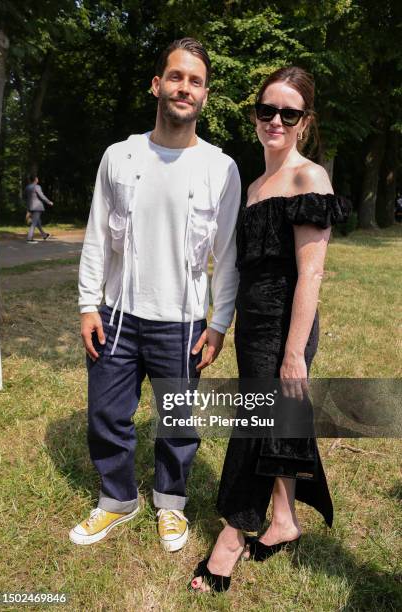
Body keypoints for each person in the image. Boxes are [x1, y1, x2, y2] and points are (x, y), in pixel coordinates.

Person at [70, 38, 241, 550]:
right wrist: (86, 304)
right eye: (175, 76)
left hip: (183, 321)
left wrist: (218, 323)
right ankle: (117, 499)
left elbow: (228, 255)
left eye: (195, 80)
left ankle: (171, 502)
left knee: (178, 422)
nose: (183, 87)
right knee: (106, 414)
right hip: (118, 314)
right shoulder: (119, 156)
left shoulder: (221, 168)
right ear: (157, 85)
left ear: (205, 95)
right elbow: (97, 234)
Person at [190, 66, 350, 592]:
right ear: (256, 115)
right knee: (279, 424)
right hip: (252, 328)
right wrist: (223, 322)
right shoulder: (254, 183)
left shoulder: (310, 178)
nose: (275, 120)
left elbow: (312, 274)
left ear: (305, 122)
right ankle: (284, 520)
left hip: (288, 329)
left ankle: (233, 535)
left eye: (289, 112)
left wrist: (294, 354)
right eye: (267, 110)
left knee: (255, 425)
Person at [24, 175, 53, 243]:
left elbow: (25, 197)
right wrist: (49, 202)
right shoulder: (37, 186)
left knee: (38, 222)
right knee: (34, 223)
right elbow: (41, 196)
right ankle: (29, 239)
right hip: (37, 207)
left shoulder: (27, 187)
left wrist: (28, 207)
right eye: (37, 178)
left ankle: (44, 235)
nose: (38, 179)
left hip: (30, 206)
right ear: (35, 179)